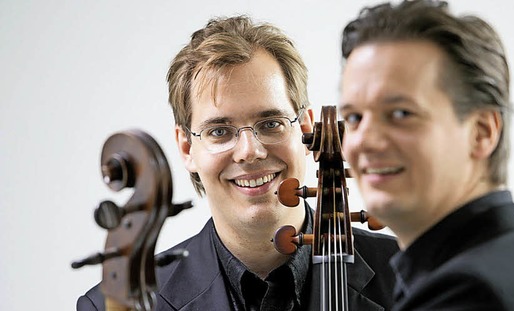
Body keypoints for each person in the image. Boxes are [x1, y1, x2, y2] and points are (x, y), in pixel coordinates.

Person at [77, 15, 398, 311]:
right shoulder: (113, 305)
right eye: (219, 131)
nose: (250, 151)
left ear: (305, 129)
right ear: (187, 147)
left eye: (271, 123)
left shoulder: (411, 276)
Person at [337, 1, 514, 310]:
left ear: (482, 132)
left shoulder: (470, 295)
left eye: (400, 113)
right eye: (354, 118)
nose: (364, 140)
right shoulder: (505, 265)